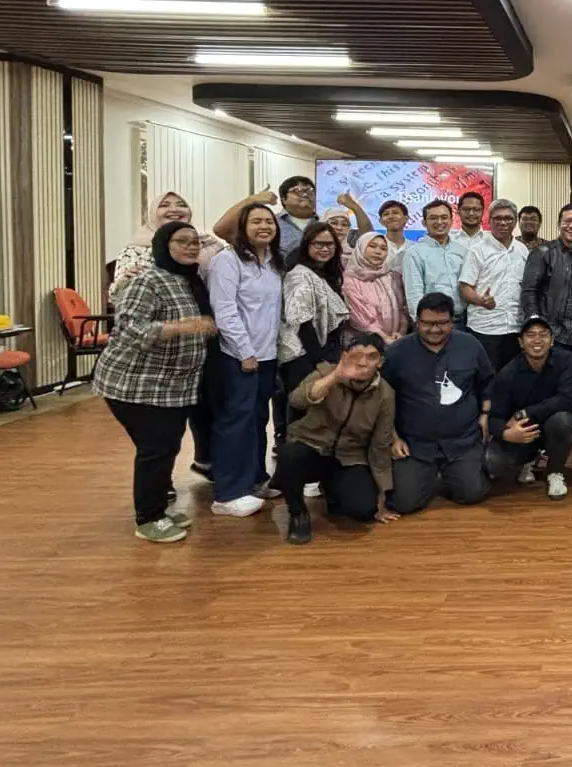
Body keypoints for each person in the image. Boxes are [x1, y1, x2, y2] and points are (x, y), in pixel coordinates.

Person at [94, 221, 220, 542]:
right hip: (135, 384)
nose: (191, 247)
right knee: (155, 449)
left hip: (172, 387)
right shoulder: (147, 281)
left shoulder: (188, 280)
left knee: (166, 447)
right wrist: (181, 327)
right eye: (182, 241)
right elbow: (129, 328)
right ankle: (148, 519)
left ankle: (157, 511)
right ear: (164, 245)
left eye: (195, 242)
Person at [272, 333, 398, 544]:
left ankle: (332, 491)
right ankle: (298, 512)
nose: (362, 362)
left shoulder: (385, 394)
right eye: (356, 355)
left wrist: (383, 494)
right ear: (344, 356)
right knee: (288, 456)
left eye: (371, 357)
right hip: (311, 446)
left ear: (381, 362)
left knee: (363, 510)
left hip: (349, 458)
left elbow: (380, 445)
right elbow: (297, 400)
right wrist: (335, 377)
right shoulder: (325, 371)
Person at [205, 202, 285, 517]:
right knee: (235, 422)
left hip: (267, 355)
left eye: (269, 221)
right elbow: (224, 310)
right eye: (256, 221)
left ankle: (254, 479)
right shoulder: (227, 261)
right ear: (242, 227)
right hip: (239, 357)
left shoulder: (274, 262)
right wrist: (245, 350)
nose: (264, 226)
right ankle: (227, 493)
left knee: (257, 420)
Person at [381, 292, 493, 515]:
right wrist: (394, 437)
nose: (435, 329)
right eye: (428, 323)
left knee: (472, 493)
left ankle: (452, 474)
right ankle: (429, 475)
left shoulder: (470, 345)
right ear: (417, 321)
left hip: (462, 440)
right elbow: (381, 398)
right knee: (404, 503)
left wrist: (485, 415)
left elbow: (487, 382)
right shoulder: (397, 352)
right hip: (415, 444)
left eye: (442, 323)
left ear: (452, 321)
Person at [485, 315, 572, 501]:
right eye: (530, 335)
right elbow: (494, 416)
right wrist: (506, 434)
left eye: (543, 334)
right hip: (523, 432)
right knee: (492, 461)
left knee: (562, 421)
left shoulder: (565, 359)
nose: (537, 340)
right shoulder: (508, 373)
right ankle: (527, 461)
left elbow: (567, 399)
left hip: (552, 425)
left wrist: (525, 412)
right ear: (521, 342)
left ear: (552, 340)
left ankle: (555, 472)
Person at [279, 222, 350, 409]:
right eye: (318, 244)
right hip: (304, 355)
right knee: (303, 411)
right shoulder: (299, 275)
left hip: (324, 351)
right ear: (306, 245)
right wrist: (319, 362)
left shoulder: (326, 273)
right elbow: (303, 323)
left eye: (330, 244)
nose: (325, 249)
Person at [108, 190, 226, 301]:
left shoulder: (210, 244)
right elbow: (118, 297)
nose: (174, 209)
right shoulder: (135, 250)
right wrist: (125, 282)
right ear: (153, 213)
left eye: (181, 205)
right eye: (164, 205)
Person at [522, 203, 572, 362]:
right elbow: (529, 291)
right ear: (559, 224)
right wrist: (535, 324)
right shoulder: (542, 252)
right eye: (567, 221)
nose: (571, 226)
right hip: (552, 333)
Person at [460, 197, 529, 372]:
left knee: (512, 379)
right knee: (487, 380)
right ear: (489, 221)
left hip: (515, 327)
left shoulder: (522, 250)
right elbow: (465, 287)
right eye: (498, 218)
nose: (503, 223)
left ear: (515, 221)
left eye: (508, 218)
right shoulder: (477, 250)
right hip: (485, 329)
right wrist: (481, 300)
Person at [403, 200, 468, 326]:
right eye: (433, 218)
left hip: (462, 320)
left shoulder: (462, 251)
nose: (439, 222)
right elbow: (414, 293)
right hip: (432, 322)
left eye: (444, 217)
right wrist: (420, 322)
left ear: (451, 220)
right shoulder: (414, 252)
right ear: (424, 222)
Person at [272, 176, 319, 258]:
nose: (305, 194)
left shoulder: (324, 222)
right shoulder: (271, 222)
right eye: (297, 191)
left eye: (309, 191)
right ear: (284, 199)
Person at [378, 198, 411, 271]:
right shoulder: (375, 247)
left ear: (406, 218)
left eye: (395, 213)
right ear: (381, 221)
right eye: (386, 214)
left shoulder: (415, 248)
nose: (391, 217)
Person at [453, 190, 487, 257]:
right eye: (466, 209)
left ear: (483, 212)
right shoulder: (449, 239)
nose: (471, 213)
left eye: (476, 209)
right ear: (458, 211)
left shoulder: (492, 239)